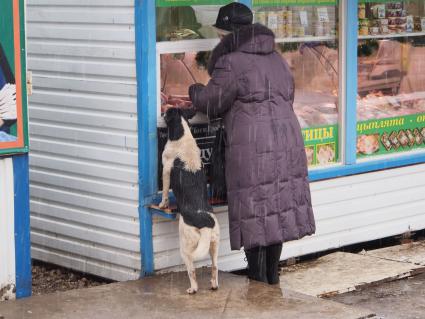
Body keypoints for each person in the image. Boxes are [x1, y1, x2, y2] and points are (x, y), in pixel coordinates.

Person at [189, 3, 315, 285]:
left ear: (230, 34)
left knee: (256, 211)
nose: (220, 39)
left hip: (253, 147)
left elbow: (212, 103)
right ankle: (271, 280)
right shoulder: (277, 58)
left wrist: (194, 89)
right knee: (275, 211)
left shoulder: (232, 62)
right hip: (286, 142)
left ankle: (259, 285)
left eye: (221, 34)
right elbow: (288, 96)